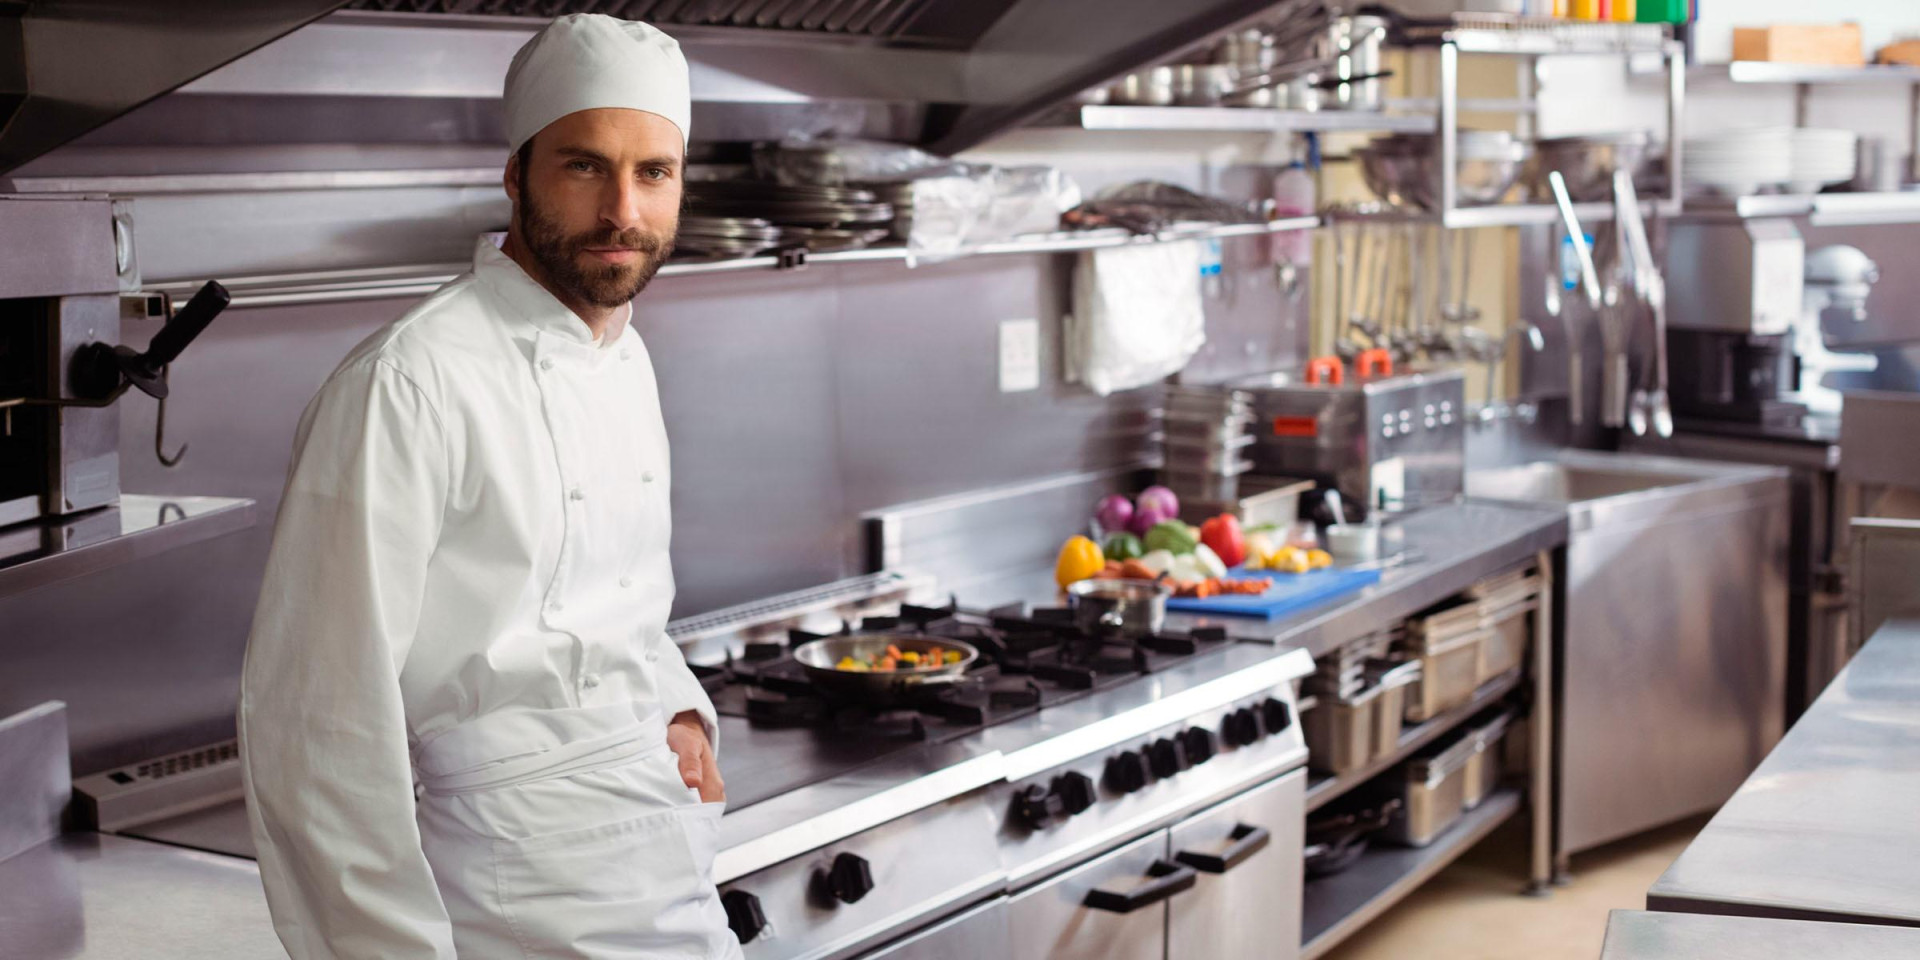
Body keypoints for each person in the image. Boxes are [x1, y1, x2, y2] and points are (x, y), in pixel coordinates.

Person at [238, 15, 740, 959]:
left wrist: (671, 703)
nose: (621, 211)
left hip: (653, 840)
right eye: (584, 165)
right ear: (516, 172)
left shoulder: (621, 351)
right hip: (511, 885)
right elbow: (318, 719)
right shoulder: (409, 383)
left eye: (654, 173)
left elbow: (607, 602)